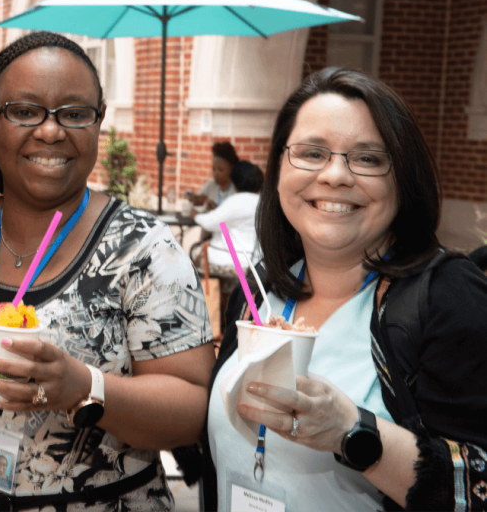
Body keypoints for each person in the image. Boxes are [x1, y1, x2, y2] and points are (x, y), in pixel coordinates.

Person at [0, 32, 215, 511]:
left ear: (98, 123)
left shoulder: (144, 249)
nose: (51, 132)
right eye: (25, 111)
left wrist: (84, 388)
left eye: (74, 114)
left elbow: (191, 411)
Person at [202, 67, 487, 510]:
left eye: (369, 158)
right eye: (312, 153)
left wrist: (353, 432)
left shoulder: (449, 297)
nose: (335, 175)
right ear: (278, 168)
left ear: (403, 180)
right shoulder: (257, 292)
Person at [191, 160, 264, 270]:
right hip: (255, 259)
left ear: (235, 182)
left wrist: (195, 215)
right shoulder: (262, 202)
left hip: (233, 260)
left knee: (196, 251)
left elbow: (209, 223)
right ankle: (225, 287)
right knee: (217, 237)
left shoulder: (237, 200)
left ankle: (200, 286)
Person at [187, 141, 239, 213]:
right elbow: (197, 201)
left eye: (220, 170)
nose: (216, 173)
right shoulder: (211, 185)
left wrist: (215, 213)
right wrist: (196, 199)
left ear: (231, 168)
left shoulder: (237, 191)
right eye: (213, 169)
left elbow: (225, 224)